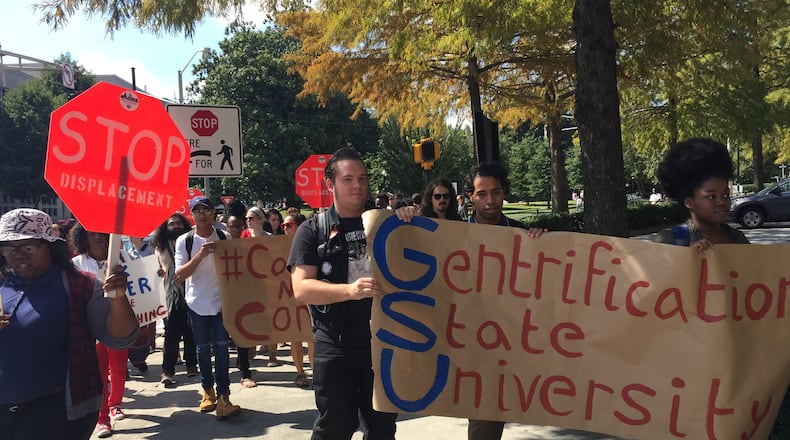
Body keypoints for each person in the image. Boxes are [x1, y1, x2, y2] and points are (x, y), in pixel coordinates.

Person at [287, 147, 397, 439]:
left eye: (362, 178)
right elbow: (301, 288)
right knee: (334, 427)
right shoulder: (313, 230)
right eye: (348, 179)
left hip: (382, 344)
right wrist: (350, 291)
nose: (357, 185)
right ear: (330, 184)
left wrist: (409, 218)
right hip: (334, 346)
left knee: (382, 428)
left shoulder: (386, 225)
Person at [0, 208, 138, 440]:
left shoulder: (80, 285)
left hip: (59, 413)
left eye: (28, 247)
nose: (19, 255)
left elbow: (121, 338)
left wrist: (118, 299)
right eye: (9, 249)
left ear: (51, 248)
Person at [175, 196, 241, 420]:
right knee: (202, 350)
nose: (201, 214)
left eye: (205, 210)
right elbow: (180, 274)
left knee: (222, 349)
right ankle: (207, 391)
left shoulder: (223, 236)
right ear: (191, 215)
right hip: (196, 302)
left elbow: (236, 269)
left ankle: (224, 395)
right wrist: (201, 255)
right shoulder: (184, 241)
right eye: (197, 211)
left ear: (214, 212)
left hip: (221, 303)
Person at [69, 224, 133, 438]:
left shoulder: (121, 260)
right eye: (92, 233)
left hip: (117, 324)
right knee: (98, 374)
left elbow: (140, 289)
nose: (97, 237)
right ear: (84, 237)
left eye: (101, 233)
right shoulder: (74, 264)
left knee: (119, 369)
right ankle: (102, 418)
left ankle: (115, 404)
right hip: (90, 329)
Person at [153, 213, 198, 388]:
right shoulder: (160, 248)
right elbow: (156, 269)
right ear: (166, 228)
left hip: (191, 291)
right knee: (171, 334)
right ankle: (167, 371)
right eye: (172, 224)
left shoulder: (190, 244)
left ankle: (191, 365)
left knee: (190, 330)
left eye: (179, 223)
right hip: (169, 296)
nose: (176, 226)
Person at [241, 206, 280, 366]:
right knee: (251, 316)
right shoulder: (244, 236)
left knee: (270, 317)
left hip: (267, 282)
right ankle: (252, 346)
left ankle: (272, 353)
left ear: (260, 219)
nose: (248, 221)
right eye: (247, 219)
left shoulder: (269, 237)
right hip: (249, 283)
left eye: (251, 218)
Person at [224, 214, 257, 388]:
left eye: (238, 226)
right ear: (227, 228)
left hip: (243, 295)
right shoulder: (221, 247)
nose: (235, 229)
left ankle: (245, 373)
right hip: (223, 296)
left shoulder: (249, 247)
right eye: (231, 226)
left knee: (242, 335)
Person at [282, 212, 314, 389]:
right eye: (283, 226)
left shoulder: (310, 243)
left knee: (311, 336)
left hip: (308, 295)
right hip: (287, 296)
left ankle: (316, 371)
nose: (285, 228)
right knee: (295, 336)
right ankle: (300, 372)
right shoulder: (276, 245)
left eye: (289, 225)